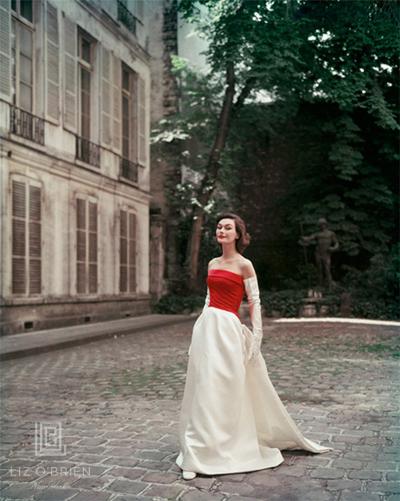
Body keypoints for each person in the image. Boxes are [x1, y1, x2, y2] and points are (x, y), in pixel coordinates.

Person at [176, 213, 331, 480]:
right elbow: (208, 298)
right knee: (204, 386)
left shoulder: (245, 265)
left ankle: (225, 446)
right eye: (219, 227)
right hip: (208, 328)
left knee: (226, 387)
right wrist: (198, 327)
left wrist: (256, 339)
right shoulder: (212, 263)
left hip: (228, 330)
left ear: (238, 234)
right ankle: (197, 452)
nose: (222, 231)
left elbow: (255, 302)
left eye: (228, 228)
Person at [299, 217, 339, 290]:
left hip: (326, 254)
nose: (321, 226)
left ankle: (330, 285)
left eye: (323, 224)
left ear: (325, 225)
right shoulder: (317, 234)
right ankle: (320, 285)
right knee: (319, 269)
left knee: (327, 269)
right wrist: (304, 238)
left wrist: (333, 248)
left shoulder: (331, 233)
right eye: (320, 225)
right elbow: (309, 238)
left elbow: (336, 243)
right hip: (318, 253)